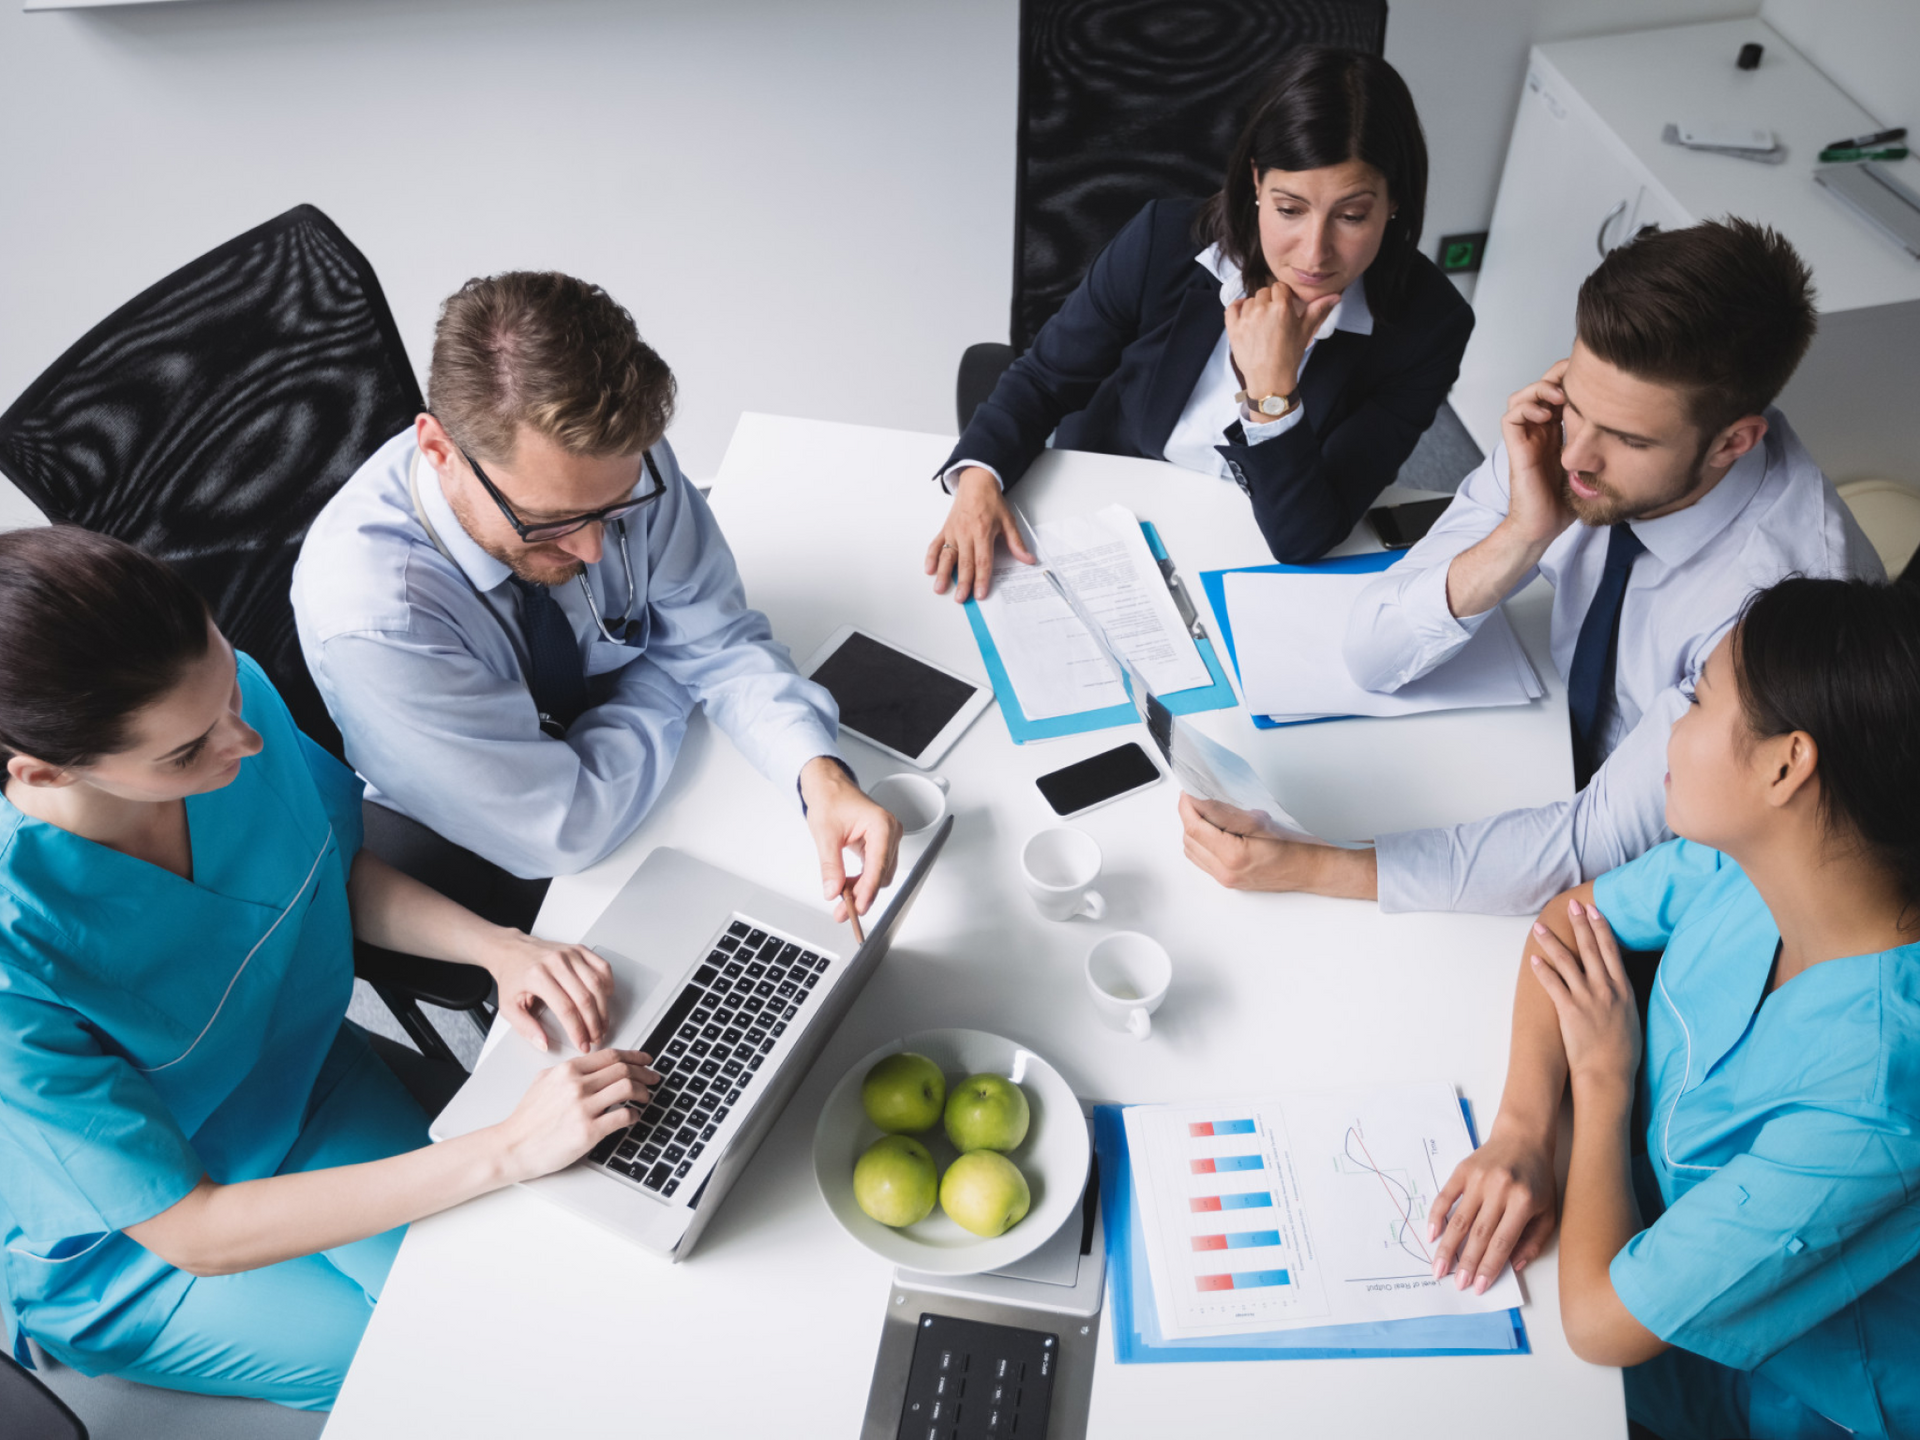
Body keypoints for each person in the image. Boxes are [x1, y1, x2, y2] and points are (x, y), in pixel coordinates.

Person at [0, 527, 655, 1409]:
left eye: (230, 682)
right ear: (41, 771)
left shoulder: (222, 711)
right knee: (456, 1371)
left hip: (302, 1081)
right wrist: (503, 1149)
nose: (245, 739)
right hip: (137, 1244)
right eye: (187, 753)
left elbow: (324, 867)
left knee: (543, 1285)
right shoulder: (16, 944)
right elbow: (191, 1229)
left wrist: (495, 945)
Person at [1180, 218, 1882, 915]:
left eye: (1628, 439)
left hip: (1694, 871)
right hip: (1541, 748)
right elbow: (1373, 652)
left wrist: (1315, 865)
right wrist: (1522, 532)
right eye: (1577, 404)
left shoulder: (1783, 601)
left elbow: (1596, 841)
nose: (1577, 458)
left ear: (1733, 442)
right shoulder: (1570, 433)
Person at [1428, 577, 1920, 1440]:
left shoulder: (1876, 1101)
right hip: (1644, 1254)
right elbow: (1567, 923)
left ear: (1785, 764)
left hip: (1789, 1395)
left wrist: (1604, 1083)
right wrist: (1522, 1130)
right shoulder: (1762, 856)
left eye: (1696, 698)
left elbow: (1601, 1325)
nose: (1672, 722)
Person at [293, 272, 899, 925]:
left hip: (640, 770)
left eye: (614, 512)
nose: (592, 550)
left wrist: (818, 774)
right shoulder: (374, 622)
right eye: (549, 520)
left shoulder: (610, 457)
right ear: (440, 450)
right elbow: (564, 830)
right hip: (497, 844)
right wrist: (667, 665)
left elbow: (719, 641)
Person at [925, 45, 1473, 598]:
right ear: (1256, 181)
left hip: (1253, 554)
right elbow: (1044, 379)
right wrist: (978, 477)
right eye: (1289, 209)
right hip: (1116, 510)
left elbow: (1302, 537)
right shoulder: (1161, 241)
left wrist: (1272, 394)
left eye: (1351, 216)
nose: (1314, 252)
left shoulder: (1428, 329)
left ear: (1394, 202)